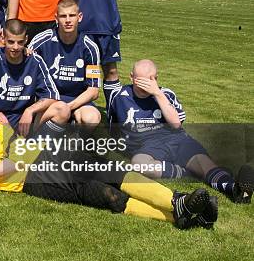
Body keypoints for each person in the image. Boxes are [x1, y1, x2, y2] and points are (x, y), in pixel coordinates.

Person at [0, 85, 218, 230]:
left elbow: (20, 156)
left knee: (104, 167)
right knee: (102, 193)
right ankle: (177, 216)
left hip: (43, 157)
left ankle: (175, 201)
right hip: (32, 181)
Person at [107, 59, 254, 204]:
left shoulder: (166, 94)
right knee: (140, 164)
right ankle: (188, 173)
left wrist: (157, 94)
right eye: (139, 81)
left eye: (148, 81)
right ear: (131, 76)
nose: (143, 86)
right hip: (148, 147)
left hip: (177, 140)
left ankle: (235, 190)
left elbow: (176, 124)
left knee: (205, 165)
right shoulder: (120, 97)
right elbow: (113, 129)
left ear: (155, 79)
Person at [0, 19, 68, 136]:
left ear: (26, 40)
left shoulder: (34, 60)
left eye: (20, 42)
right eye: (11, 42)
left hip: (24, 119)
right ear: (3, 39)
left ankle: (39, 145)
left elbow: (52, 95)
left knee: (62, 109)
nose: (16, 47)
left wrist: (30, 110)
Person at [29, 0, 102, 128]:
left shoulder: (90, 47)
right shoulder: (42, 40)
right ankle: (37, 135)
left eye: (72, 15)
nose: (68, 20)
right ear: (56, 18)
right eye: (63, 16)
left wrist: (69, 107)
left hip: (77, 100)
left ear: (79, 17)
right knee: (58, 111)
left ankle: (78, 143)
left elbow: (93, 90)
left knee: (92, 118)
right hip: (49, 99)